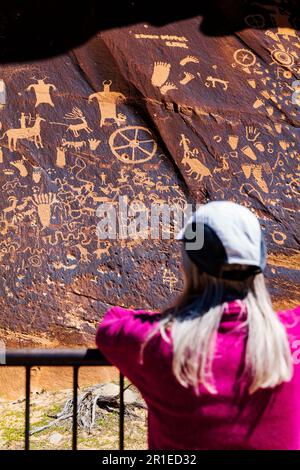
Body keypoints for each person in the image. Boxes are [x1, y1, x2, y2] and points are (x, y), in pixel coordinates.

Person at [95, 200, 300, 450]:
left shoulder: (160, 342)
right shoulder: (291, 335)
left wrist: (177, 316)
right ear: (261, 261)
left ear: (187, 265)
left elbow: (111, 323)